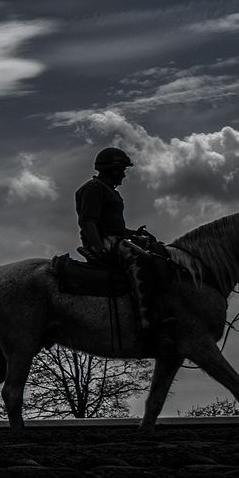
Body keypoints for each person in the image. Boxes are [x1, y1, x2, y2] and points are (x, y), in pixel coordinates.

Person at [76, 146, 174, 349]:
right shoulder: (94, 188)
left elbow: (114, 226)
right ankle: (146, 323)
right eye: (122, 170)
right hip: (104, 242)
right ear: (112, 169)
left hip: (115, 238)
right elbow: (88, 221)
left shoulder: (108, 190)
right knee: (142, 260)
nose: (123, 175)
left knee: (157, 251)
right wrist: (99, 248)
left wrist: (133, 233)